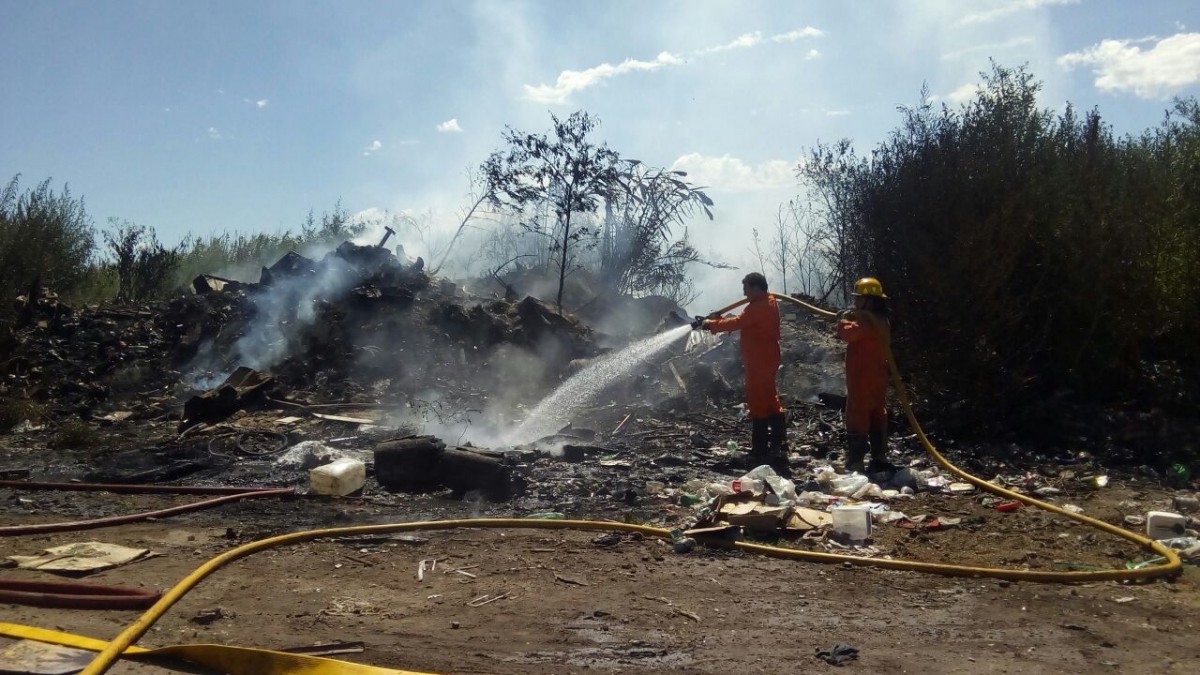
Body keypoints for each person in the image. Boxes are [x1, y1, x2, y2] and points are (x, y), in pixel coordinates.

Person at [693, 273, 788, 473]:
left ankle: (760, 450)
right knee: (770, 399)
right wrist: (715, 318)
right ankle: (779, 445)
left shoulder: (759, 307)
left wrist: (710, 325)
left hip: (760, 360)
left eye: (746, 289)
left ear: (755, 288)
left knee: (758, 401)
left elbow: (737, 323)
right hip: (765, 357)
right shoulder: (766, 302)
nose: (744, 293)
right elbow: (740, 319)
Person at [835, 277, 893, 474]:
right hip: (878, 376)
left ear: (870, 300)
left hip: (863, 377)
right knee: (878, 413)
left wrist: (842, 322)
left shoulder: (868, 322)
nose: (856, 302)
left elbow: (849, 334)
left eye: (859, 298)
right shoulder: (881, 320)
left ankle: (857, 461)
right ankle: (879, 456)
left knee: (857, 415)